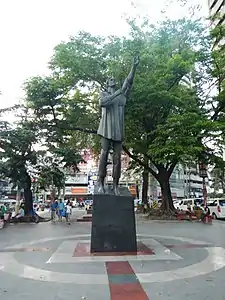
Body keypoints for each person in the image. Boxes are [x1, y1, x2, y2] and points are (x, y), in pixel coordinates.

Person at [97, 56, 140, 195]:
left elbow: (128, 82)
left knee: (117, 158)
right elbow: (103, 103)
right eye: (110, 78)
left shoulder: (122, 96)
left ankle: (116, 184)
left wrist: (133, 67)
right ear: (107, 83)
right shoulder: (104, 94)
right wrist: (116, 93)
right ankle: (100, 182)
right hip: (106, 128)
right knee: (103, 154)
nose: (113, 79)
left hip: (118, 130)